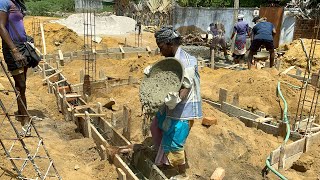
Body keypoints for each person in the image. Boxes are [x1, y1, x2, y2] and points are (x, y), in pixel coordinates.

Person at [145, 26, 202, 180]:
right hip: (169, 106)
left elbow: (186, 87)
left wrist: (176, 99)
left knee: (175, 143)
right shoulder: (171, 59)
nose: (160, 51)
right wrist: (152, 74)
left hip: (183, 109)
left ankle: (182, 173)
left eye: (161, 47)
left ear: (170, 43)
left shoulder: (187, 61)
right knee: (156, 126)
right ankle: (163, 160)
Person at [0, 0, 30, 134]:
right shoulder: (3, 2)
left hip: (22, 46)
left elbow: (17, 25)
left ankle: (21, 111)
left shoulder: (16, 3)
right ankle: (25, 119)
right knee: (21, 84)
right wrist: (15, 51)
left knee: (22, 85)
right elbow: (1, 26)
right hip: (13, 48)